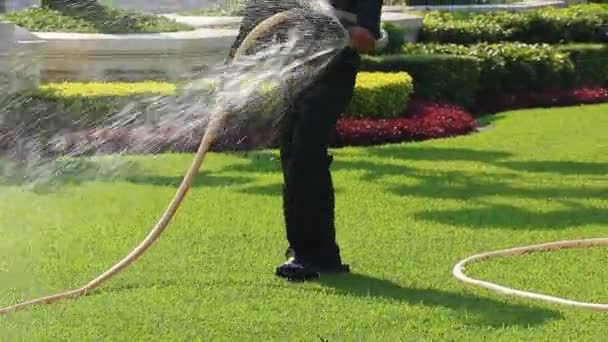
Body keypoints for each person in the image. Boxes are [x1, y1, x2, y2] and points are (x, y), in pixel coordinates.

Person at [226, 0, 387, 280]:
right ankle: (304, 250)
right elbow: (253, 27)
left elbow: (367, 39)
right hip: (293, 73)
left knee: (306, 156)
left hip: (333, 75)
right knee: (291, 156)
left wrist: (335, 27)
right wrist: (231, 74)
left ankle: (316, 256)